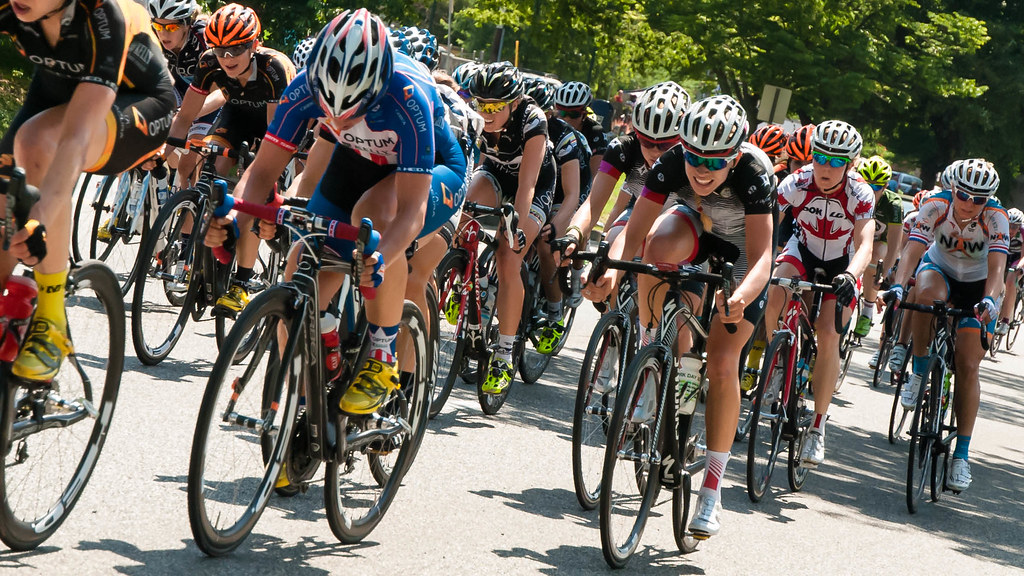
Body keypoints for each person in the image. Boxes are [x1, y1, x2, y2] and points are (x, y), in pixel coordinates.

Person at [206, 9, 467, 417]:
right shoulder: (303, 86)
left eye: (352, 107)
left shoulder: (407, 94)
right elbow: (260, 174)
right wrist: (231, 223)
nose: (339, 115)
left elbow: (411, 210)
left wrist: (380, 257)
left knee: (375, 219)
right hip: (357, 160)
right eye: (329, 106)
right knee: (300, 268)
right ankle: (303, 410)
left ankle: (382, 354)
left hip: (433, 169)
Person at [586, 95, 775, 538]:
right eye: (694, 156)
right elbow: (634, 232)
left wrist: (741, 297)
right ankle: (657, 351)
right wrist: (612, 272)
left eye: (714, 161)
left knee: (725, 365)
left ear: (735, 156)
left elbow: (765, 256)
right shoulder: (671, 162)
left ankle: (711, 488)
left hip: (743, 254)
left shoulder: (754, 175)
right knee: (656, 246)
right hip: (696, 229)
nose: (701, 169)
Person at [0, 0, 175, 381]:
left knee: (39, 145)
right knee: (2, 213)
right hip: (54, 90)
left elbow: (74, 141)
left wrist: (41, 218)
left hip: (139, 102)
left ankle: (51, 318)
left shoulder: (101, 16)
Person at [165, 2, 294, 314]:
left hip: (272, 125)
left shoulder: (274, 68)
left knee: (255, 193)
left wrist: (261, 171)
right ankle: (200, 256)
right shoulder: (209, 63)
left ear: (254, 45)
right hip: (235, 115)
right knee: (208, 166)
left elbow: (276, 134)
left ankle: (241, 282)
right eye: (219, 49)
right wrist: (162, 153)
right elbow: (185, 119)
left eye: (236, 49)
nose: (226, 58)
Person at [889, 158, 1008, 492]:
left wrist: (989, 300)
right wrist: (899, 283)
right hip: (939, 270)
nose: (969, 203)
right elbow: (913, 249)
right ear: (953, 189)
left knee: (968, 366)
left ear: (989, 200)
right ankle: (919, 367)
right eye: (964, 194)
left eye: (979, 199)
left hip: (979, 285)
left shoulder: (995, 218)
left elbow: (998, 268)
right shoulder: (935, 206)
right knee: (924, 293)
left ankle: (961, 456)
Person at [764, 120, 875, 469]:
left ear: (851, 163)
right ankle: (778, 361)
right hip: (803, 249)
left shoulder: (860, 194)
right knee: (775, 290)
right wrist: (759, 264)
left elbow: (866, 245)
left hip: (843, 261)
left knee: (829, 334)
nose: (826, 168)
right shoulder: (796, 181)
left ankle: (817, 426)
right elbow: (766, 223)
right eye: (821, 158)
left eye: (836, 162)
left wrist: (851, 275)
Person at [464, 61, 555, 394]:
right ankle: (463, 277)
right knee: (463, 216)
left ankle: (504, 354)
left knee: (508, 256)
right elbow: (465, 165)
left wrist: (514, 227)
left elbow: (528, 183)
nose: (485, 113)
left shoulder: (533, 120)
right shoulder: (475, 116)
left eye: (494, 107)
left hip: (535, 186)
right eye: (480, 104)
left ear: (513, 103)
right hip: (496, 174)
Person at [522, 76, 586, 353]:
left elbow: (572, 194)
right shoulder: (518, 126)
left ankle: (554, 312)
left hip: (566, 192)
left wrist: (557, 226)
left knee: (546, 243)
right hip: (536, 187)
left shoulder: (565, 136)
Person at [854, 156, 903, 353]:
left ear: (885, 187)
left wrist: (884, 273)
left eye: (876, 188)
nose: (870, 191)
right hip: (853, 239)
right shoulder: (852, 194)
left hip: (878, 243)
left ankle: (867, 310)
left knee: (877, 255)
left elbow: (894, 244)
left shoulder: (893, 204)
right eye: (866, 184)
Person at [554, 81, 607, 178]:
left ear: (585, 114)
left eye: (573, 114)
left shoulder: (595, 132)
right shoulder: (550, 124)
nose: (566, 119)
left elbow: (593, 176)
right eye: (562, 113)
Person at [994, 207, 1023, 337]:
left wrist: (1019, 268)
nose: (1011, 230)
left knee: (1011, 279)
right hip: (1004, 254)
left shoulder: (1022, 232)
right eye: (1009, 226)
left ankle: (1005, 321)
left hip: (1018, 258)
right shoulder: (998, 226)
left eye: (1015, 227)